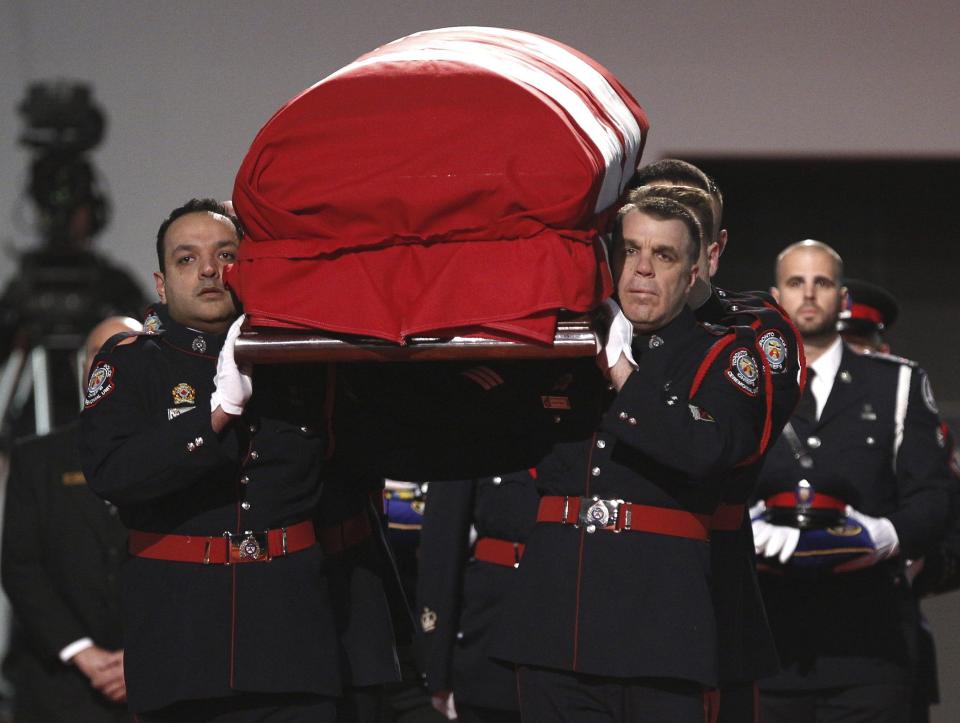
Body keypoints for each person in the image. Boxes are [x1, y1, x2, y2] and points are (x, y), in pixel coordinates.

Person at [79, 198, 377, 721]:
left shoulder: (304, 361)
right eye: (186, 259)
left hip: (294, 635)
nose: (210, 271)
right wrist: (213, 417)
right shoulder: (130, 363)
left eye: (226, 255)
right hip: (183, 642)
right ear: (161, 283)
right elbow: (113, 475)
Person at [491, 190, 771, 722]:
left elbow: (706, 448)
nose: (642, 269)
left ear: (692, 275)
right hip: (555, 625)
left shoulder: (726, 353)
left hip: (661, 631)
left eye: (663, 255)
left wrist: (620, 369)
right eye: (629, 251)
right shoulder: (563, 349)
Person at [751, 240, 954, 722]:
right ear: (776, 298)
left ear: (841, 298)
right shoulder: (745, 382)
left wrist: (888, 535)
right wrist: (742, 527)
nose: (809, 294)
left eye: (822, 282)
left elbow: (933, 494)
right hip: (764, 644)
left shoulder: (896, 383)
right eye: (796, 283)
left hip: (870, 645)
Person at [633, 160, 803, 721]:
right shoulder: (611, 322)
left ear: (713, 244)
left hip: (707, 570)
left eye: (684, 239)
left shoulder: (755, 327)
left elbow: (738, 444)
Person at [1, 316, 139, 723]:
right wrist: (84, 654)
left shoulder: (192, 454)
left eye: (129, 353)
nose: (113, 365)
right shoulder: (35, 460)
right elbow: (20, 565)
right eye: (101, 354)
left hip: (161, 683)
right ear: (83, 368)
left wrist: (147, 656)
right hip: (58, 688)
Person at [838, 278, 960, 723]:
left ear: (883, 351)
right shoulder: (777, 421)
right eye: (836, 347)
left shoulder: (920, 432)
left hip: (887, 637)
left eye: (859, 346)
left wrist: (916, 564)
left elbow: (951, 536)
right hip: (788, 649)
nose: (848, 362)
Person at [417, 469, 539, 723]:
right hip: (489, 632)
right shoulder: (475, 437)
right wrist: (438, 666)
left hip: (563, 634)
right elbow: (442, 549)